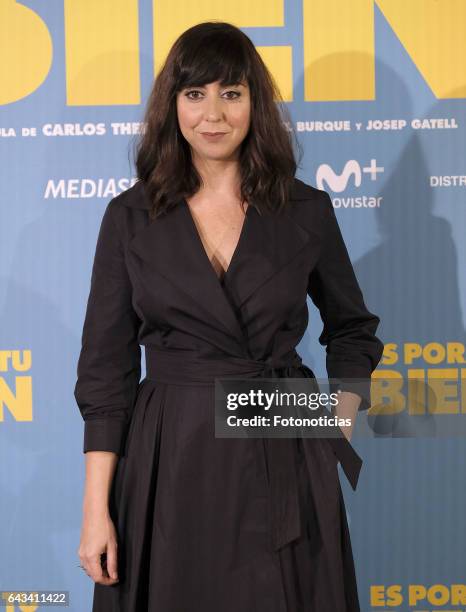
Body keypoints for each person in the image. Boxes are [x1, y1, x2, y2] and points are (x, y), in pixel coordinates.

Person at [74, 21, 384, 612]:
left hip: (282, 433)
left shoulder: (305, 209)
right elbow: (105, 374)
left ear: (254, 104)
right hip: (173, 451)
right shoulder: (130, 216)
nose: (212, 114)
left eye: (231, 93)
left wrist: (333, 423)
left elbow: (353, 329)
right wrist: (96, 513)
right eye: (195, 94)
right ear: (173, 105)